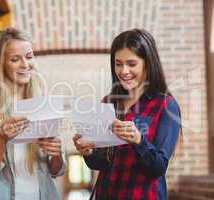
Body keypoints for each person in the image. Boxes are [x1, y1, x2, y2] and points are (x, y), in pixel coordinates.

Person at [73, 29, 181, 200]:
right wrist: (88, 152)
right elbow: (102, 163)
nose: (123, 71)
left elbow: (158, 167)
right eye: (118, 63)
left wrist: (139, 140)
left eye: (131, 64)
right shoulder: (109, 102)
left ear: (147, 63)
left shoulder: (166, 105)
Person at [0, 27, 66, 200]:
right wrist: (0, 138)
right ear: (1, 63)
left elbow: (56, 170)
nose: (25, 65)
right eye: (15, 59)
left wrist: (57, 153)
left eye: (29, 57)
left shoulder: (43, 104)